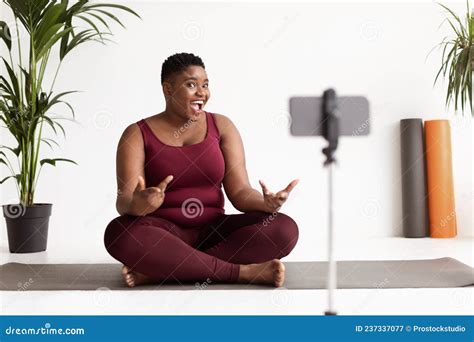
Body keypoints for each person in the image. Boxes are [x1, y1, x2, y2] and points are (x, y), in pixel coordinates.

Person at [104, 52, 299, 288]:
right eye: (191, 85)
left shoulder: (222, 126)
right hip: (161, 234)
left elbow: (240, 192)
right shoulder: (136, 133)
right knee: (119, 235)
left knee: (284, 229)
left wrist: (265, 203)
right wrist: (140, 203)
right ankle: (242, 272)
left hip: (214, 231)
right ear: (168, 89)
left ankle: (163, 270)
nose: (202, 92)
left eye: (205, 85)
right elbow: (123, 201)